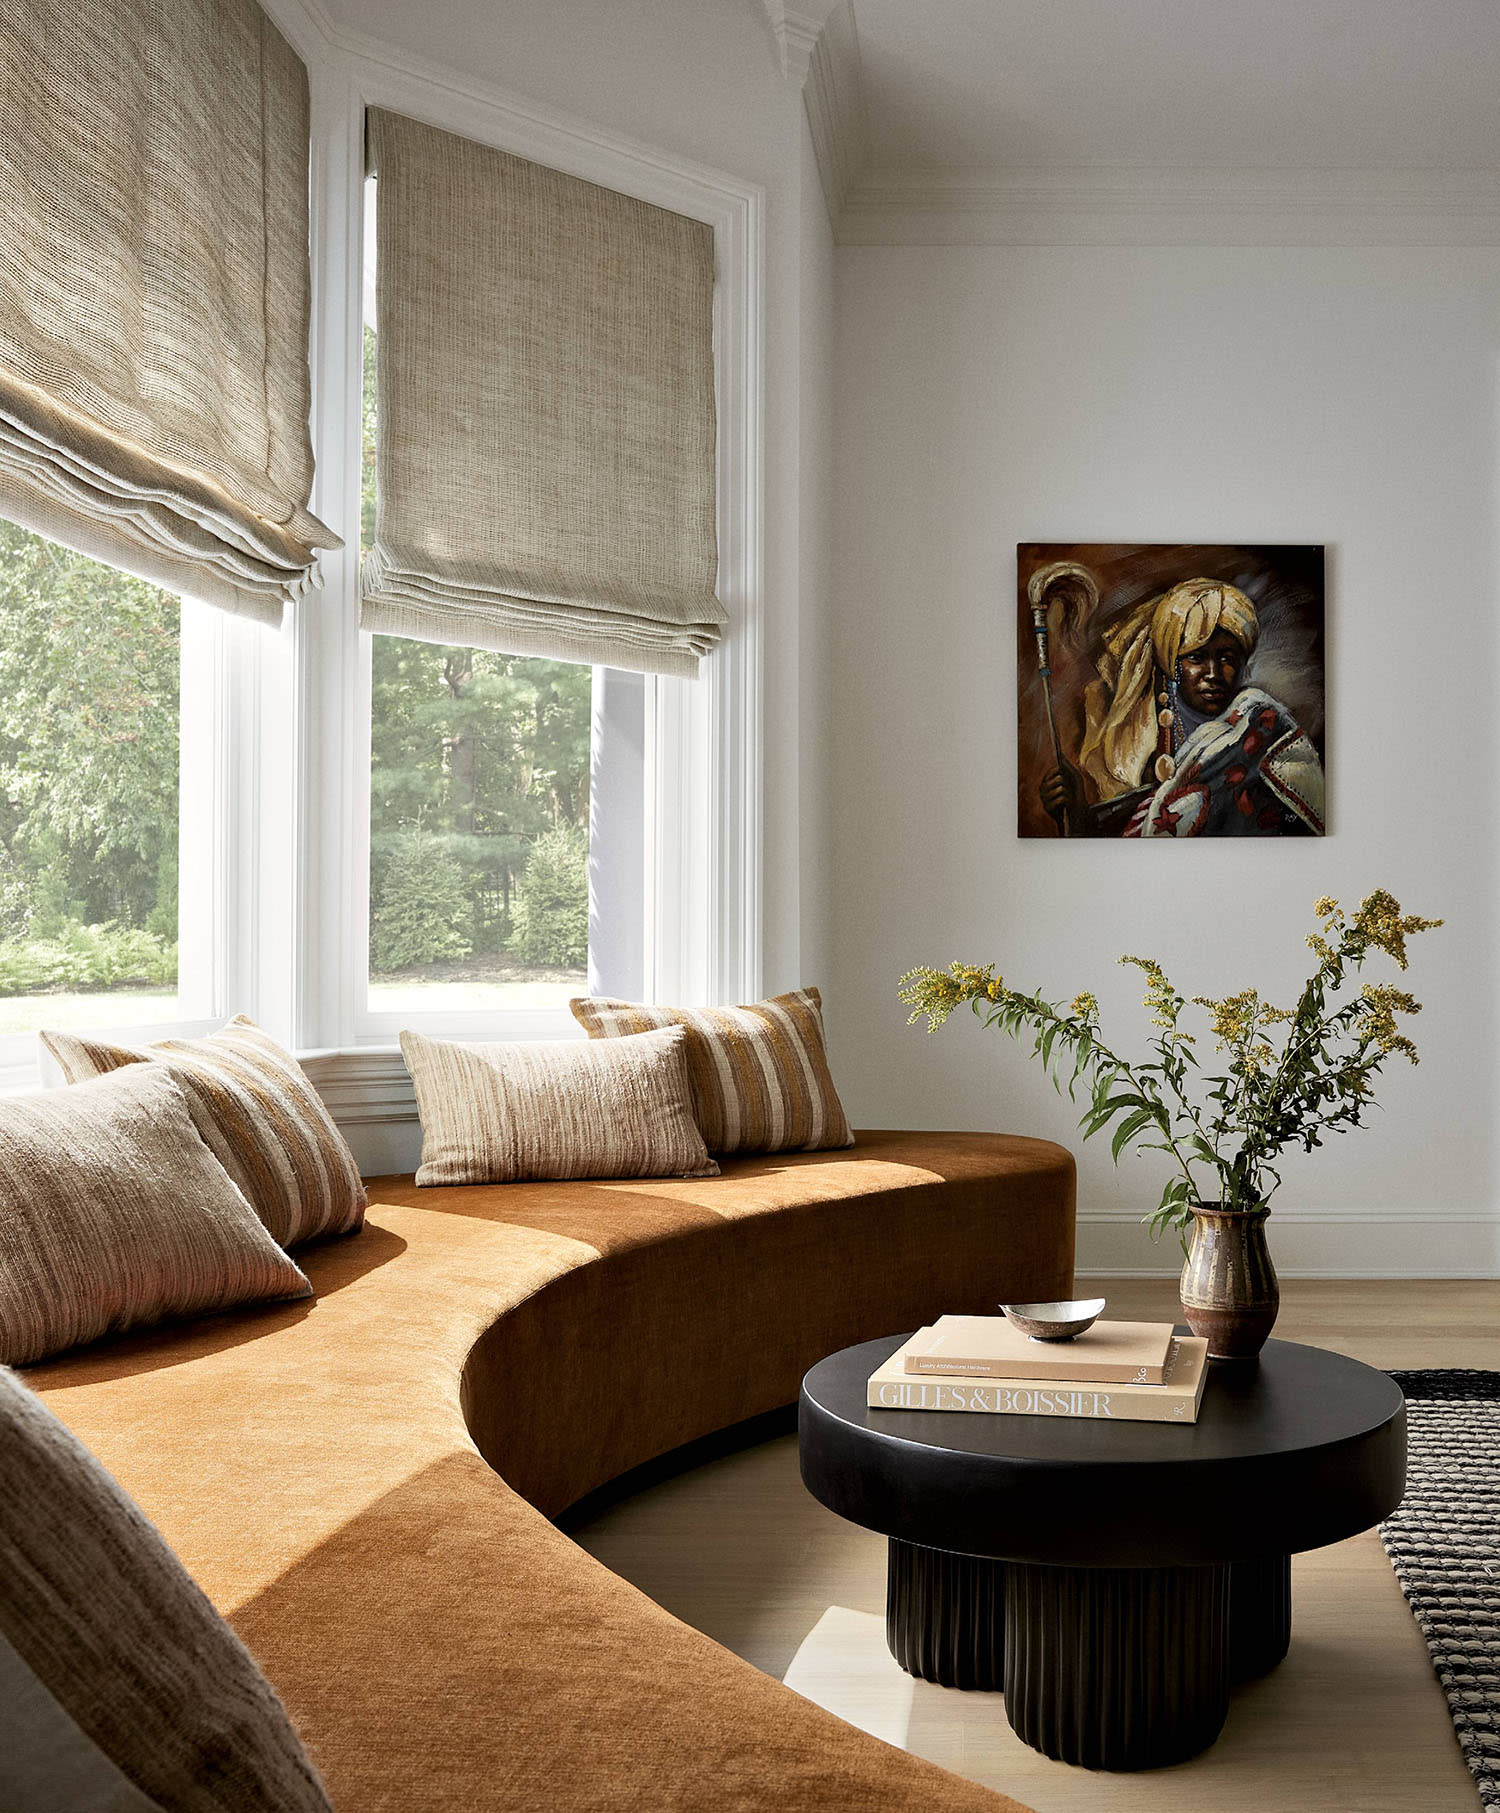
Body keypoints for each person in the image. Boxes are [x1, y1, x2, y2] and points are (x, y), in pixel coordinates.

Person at [1040, 577, 1324, 837]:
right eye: (1197, 658)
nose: (1212, 673)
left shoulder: (1264, 725)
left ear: (1242, 662)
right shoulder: (1140, 740)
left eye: (1226, 658)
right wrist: (1076, 813)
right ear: (1173, 666)